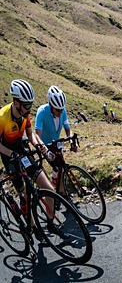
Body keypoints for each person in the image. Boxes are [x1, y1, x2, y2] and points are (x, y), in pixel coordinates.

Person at [1, 80, 58, 220]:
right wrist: (11, 154)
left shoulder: (25, 114)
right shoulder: (2, 117)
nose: (29, 109)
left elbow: (30, 134)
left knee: (49, 189)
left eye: (30, 105)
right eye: (27, 105)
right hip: (9, 157)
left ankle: (52, 225)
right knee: (25, 195)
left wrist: (41, 146)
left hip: (22, 152)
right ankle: (30, 227)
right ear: (16, 103)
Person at [35, 86, 78, 184]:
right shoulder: (42, 111)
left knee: (61, 169)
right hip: (45, 145)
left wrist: (71, 141)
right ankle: (56, 191)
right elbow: (37, 135)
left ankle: (59, 191)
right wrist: (44, 149)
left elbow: (68, 130)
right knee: (58, 168)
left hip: (56, 145)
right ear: (50, 105)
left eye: (62, 109)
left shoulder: (62, 111)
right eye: (58, 110)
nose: (61, 112)